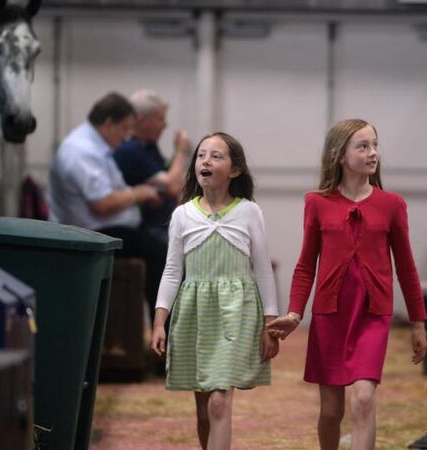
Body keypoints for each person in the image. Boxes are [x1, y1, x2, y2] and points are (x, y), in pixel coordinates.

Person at [267, 118, 427, 450]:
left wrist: (418, 322)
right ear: (340, 155)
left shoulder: (392, 204)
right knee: (331, 411)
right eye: (363, 146)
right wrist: (295, 314)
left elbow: (407, 269)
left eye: (375, 145)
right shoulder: (316, 203)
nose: (373, 153)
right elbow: (305, 265)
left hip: (373, 315)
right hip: (330, 316)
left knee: (364, 399)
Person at [151, 132, 280, 450]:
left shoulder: (249, 212)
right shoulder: (182, 214)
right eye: (200, 155)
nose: (205, 161)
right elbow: (172, 271)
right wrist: (158, 321)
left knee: (219, 402)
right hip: (195, 314)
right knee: (204, 408)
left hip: (236, 313)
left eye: (216, 156)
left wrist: (270, 323)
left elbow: (263, 269)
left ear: (235, 170)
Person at [48, 92, 165, 316]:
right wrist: (139, 193)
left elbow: (114, 191)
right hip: (90, 233)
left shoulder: (96, 146)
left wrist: (139, 194)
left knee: (162, 242)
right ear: (109, 124)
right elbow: (102, 203)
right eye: (125, 128)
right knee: (161, 253)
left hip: (106, 227)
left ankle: (154, 330)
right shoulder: (82, 151)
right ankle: (162, 333)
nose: (128, 136)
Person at [114, 89, 192, 243]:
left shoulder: (148, 145)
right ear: (143, 120)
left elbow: (170, 176)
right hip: (147, 229)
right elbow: (172, 187)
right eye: (160, 119)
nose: (165, 125)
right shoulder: (130, 150)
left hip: (162, 224)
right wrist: (181, 151)